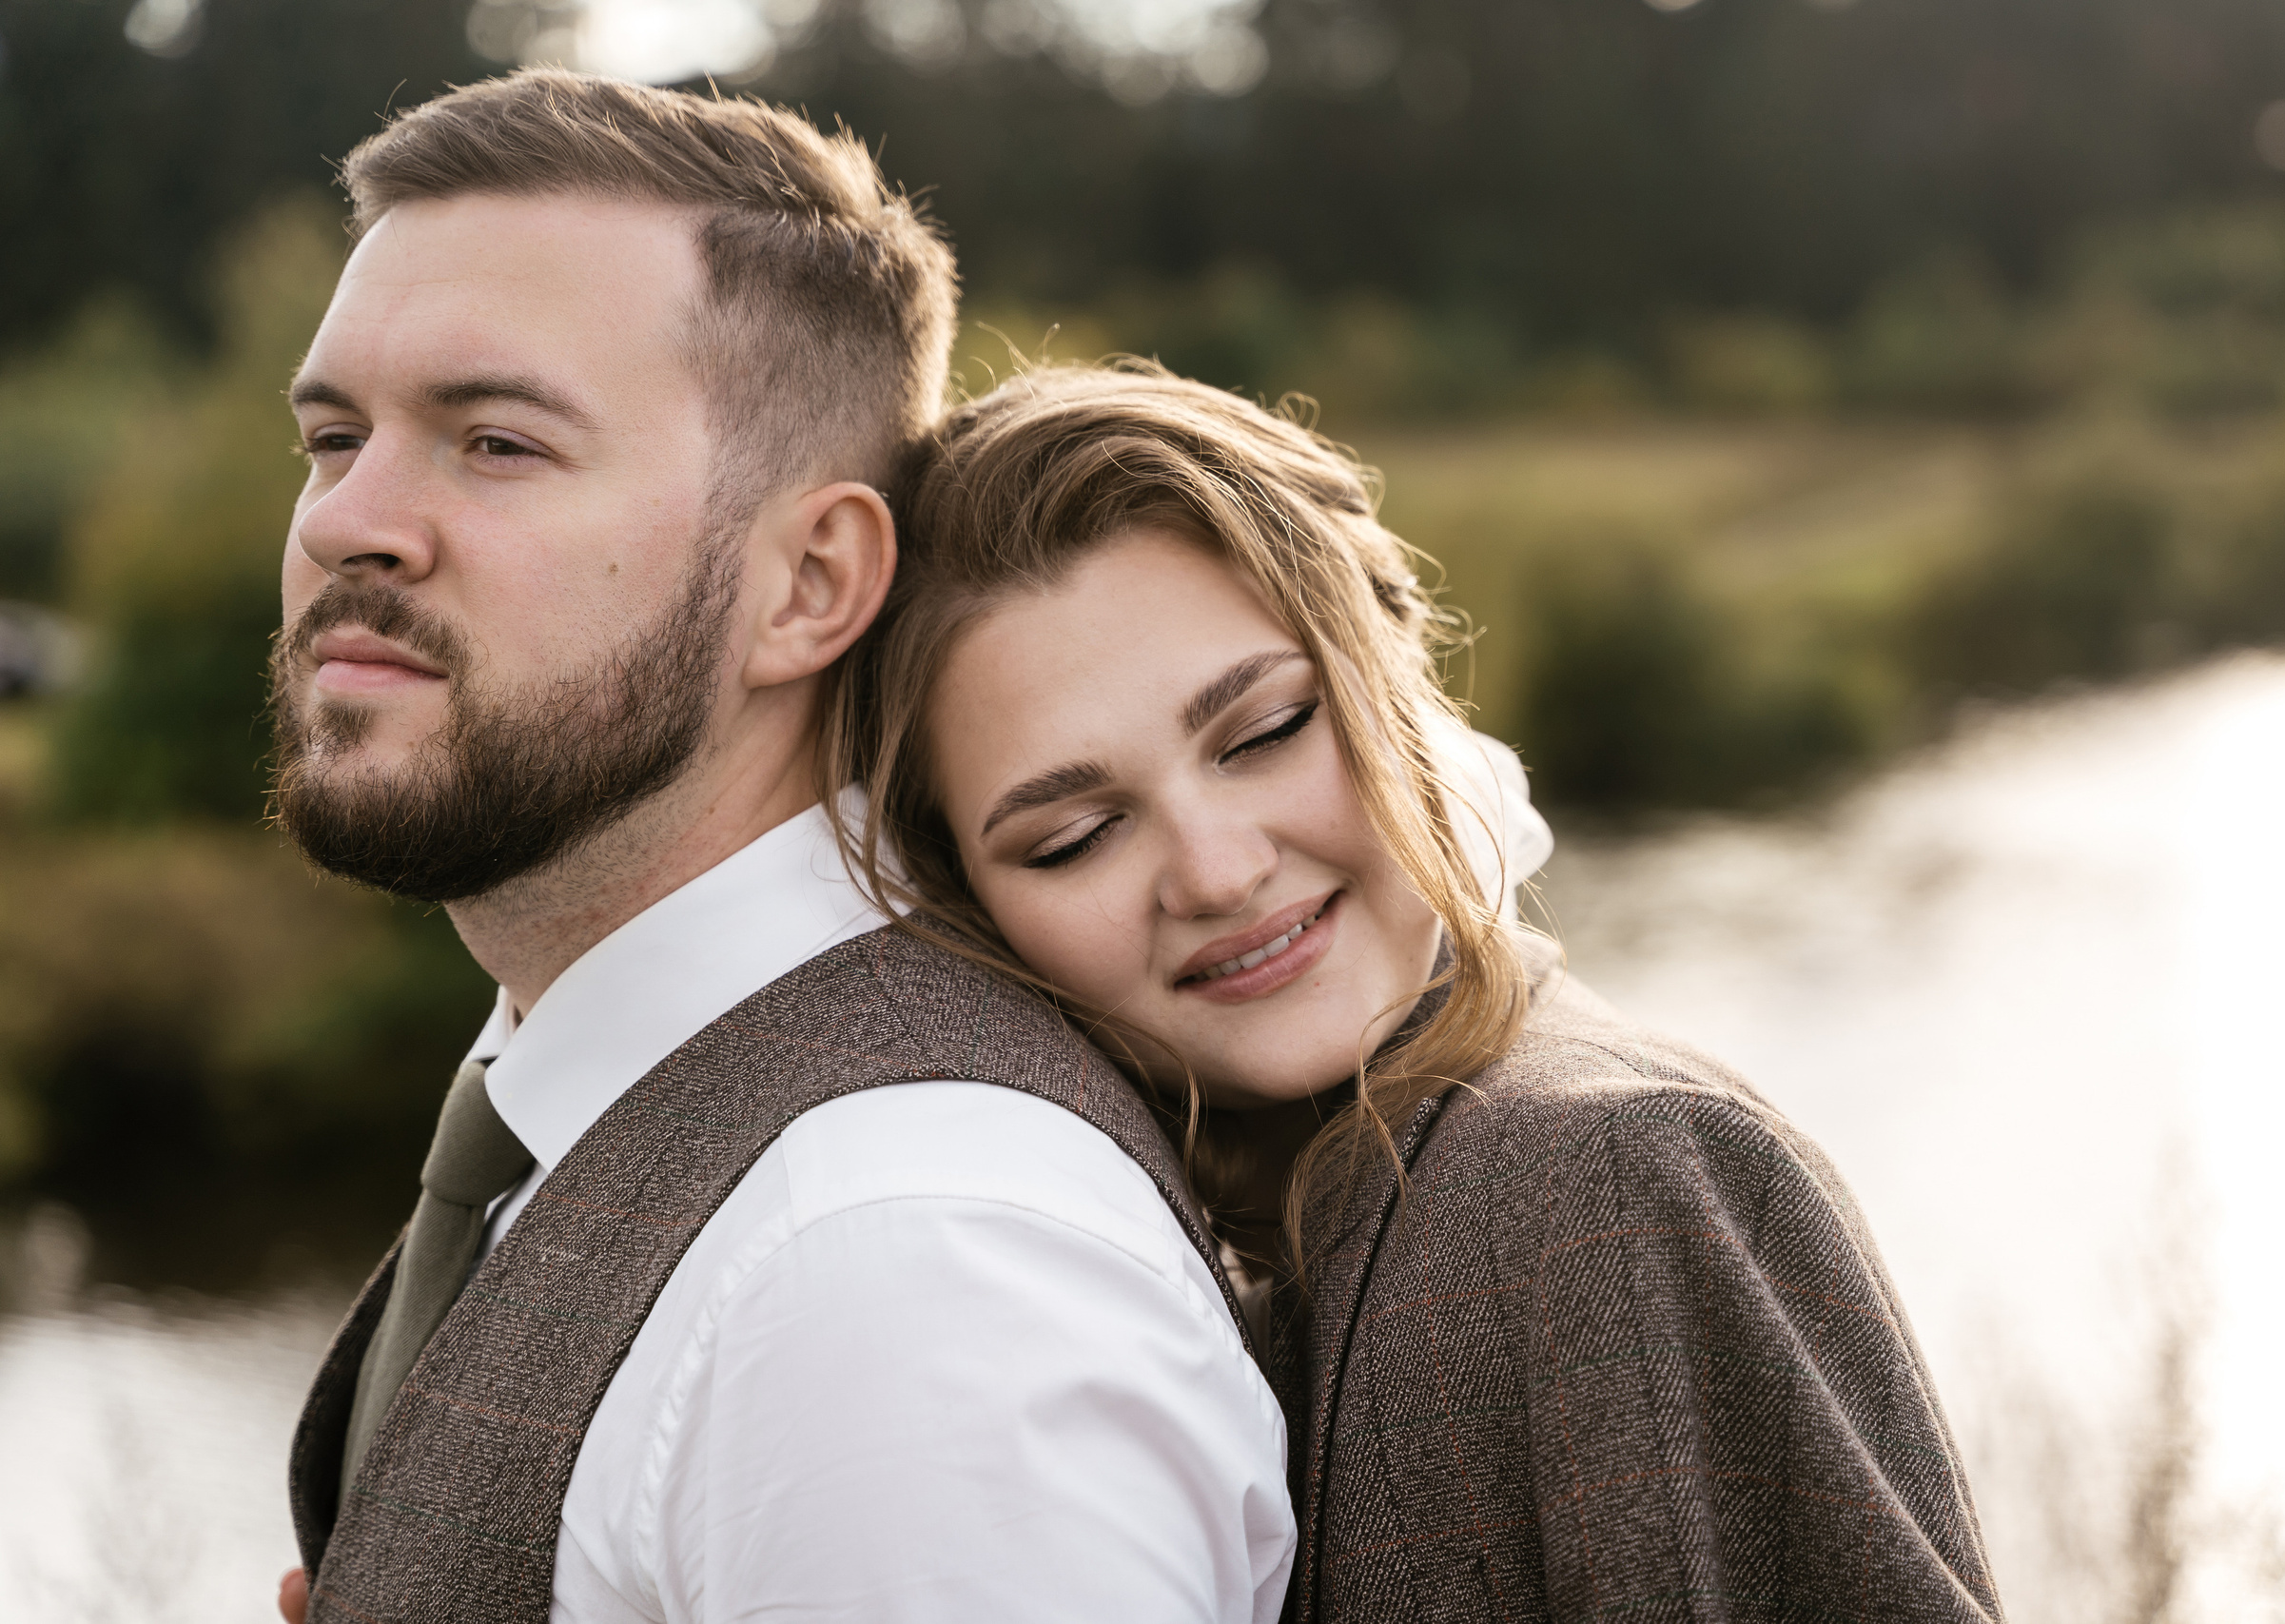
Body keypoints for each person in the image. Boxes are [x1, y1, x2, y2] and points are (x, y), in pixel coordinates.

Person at [264, 70, 1415, 1624]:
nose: (350, 522)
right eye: (334, 438)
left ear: (810, 580)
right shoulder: (607, 1093)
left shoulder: (901, 1272)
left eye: (498, 443)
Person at [835, 363, 2007, 1622]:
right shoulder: (1176, 1250)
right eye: (1074, 837)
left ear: (1399, 679)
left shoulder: (1618, 1180)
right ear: (965, 904)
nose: (1219, 873)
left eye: (1269, 730)